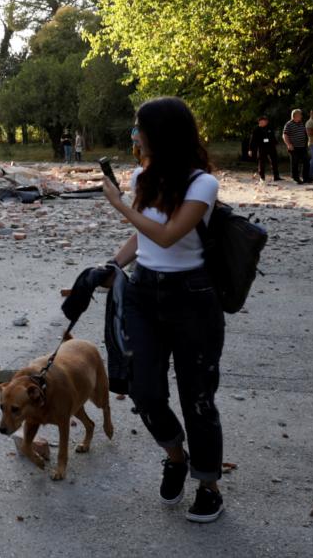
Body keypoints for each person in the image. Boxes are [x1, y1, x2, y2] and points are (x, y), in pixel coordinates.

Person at [92, 97, 225, 523]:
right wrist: (112, 265)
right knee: (144, 391)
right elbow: (142, 239)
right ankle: (175, 456)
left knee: (197, 398)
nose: (134, 134)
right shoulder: (141, 177)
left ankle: (208, 486)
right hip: (144, 294)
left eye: (139, 127)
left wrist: (120, 205)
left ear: (160, 134)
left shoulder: (202, 184)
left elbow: (168, 235)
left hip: (192, 298)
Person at [282, 109, 312, 184]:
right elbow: (285, 135)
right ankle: (296, 178)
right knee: (295, 163)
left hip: (302, 147)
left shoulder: (301, 123)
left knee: (306, 161)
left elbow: (304, 133)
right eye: (300, 115)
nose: (301, 116)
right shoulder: (288, 124)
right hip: (294, 147)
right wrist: (288, 144)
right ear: (295, 116)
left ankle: (306, 178)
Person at [248, 116, 281, 181]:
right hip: (261, 148)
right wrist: (250, 149)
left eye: (264, 121)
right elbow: (252, 140)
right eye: (261, 122)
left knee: (274, 161)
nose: (262, 123)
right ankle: (262, 177)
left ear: (266, 122)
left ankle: (276, 176)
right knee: (261, 162)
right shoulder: (256, 129)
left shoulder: (270, 128)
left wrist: (275, 143)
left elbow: (273, 137)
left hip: (271, 147)